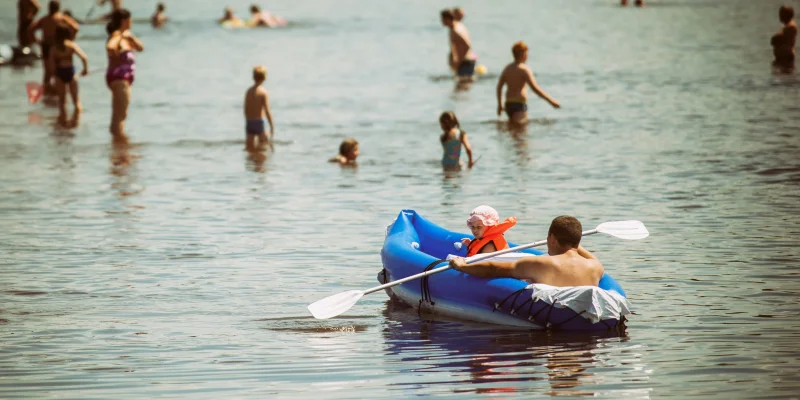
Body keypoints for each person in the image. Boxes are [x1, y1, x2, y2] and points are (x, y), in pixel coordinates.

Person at [449, 216, 605, 287]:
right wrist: (572, 238)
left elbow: (493, 269)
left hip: (550, 316)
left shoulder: (540, 263)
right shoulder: (595, 267)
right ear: (578, 241)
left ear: (552, 238)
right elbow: (576, 247)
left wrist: (463, 266)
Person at [496, 41, 560, 125]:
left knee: (512, 129)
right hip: (519, 104)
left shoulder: (507, 68)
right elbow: (535, 88)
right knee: (521, 132)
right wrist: (551, 101)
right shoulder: (524, 69)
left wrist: (500, 104)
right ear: (523, 54)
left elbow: (499, 87)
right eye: (526, 53)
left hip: (508, 103)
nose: (527, 56)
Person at [106, 9, 143, 142]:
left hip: (121, 79)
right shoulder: (117, 35)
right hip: (119, 78)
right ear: (124, 21)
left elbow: (140, 48)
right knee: (121, 116)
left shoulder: (125, 35)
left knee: (119, 114)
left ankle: (116, 145)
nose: (131, 22)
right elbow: (110, 47)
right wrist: (116, 54)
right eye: (130, 19)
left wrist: (129, 37)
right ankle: (121, 148)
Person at [28, 1, 80, 95]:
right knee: (58, 70)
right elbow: (76, 27)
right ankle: (57, 92)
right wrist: (70, 40)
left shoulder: (44, 19)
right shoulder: (62, 18)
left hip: (46, 46)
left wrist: (37, 41)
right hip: (58, 46)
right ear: (58, 8)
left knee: (47, 72)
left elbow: (31, 29)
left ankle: (47, 93)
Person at [50, 24, 88, 126]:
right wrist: (85, 70)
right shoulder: (71, 45)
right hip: (71, 72)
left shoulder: (54, 48)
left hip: (59, 73)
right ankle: (77, 122)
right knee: (76, 101)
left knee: (62, 102)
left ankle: (62, 122)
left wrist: (53, 78)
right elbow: (84, 57)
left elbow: (52, 66)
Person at [243, 65, 275, 150]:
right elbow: (267, 110)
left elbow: (245, 108)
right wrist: (272, 126)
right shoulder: (263, 92)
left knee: (250, 147)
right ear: (264, 78)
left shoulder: (248, 91)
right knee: (265, 145)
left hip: (249, 122)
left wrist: (247, 120)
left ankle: (251, 161)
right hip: (259, 122)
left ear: (253, 77)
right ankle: (259, 160)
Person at [440, 9, 477, 80]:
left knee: (461, 88)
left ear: (448, 19)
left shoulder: (455, 31)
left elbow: (467, 46)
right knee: (462, 87)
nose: (442, 22)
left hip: (466, 62)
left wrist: (459, 62)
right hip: (467, 61)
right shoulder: (458, 25)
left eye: (443, 19)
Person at [771, 5, 797, 71]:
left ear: (787, 15)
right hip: (782, 58)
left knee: (786, 77)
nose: (780, 16)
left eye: (782, 14)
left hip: (786, 58)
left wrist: (775, 38)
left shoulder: (791, 26)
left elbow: (778, 38)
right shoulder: (787, 27)